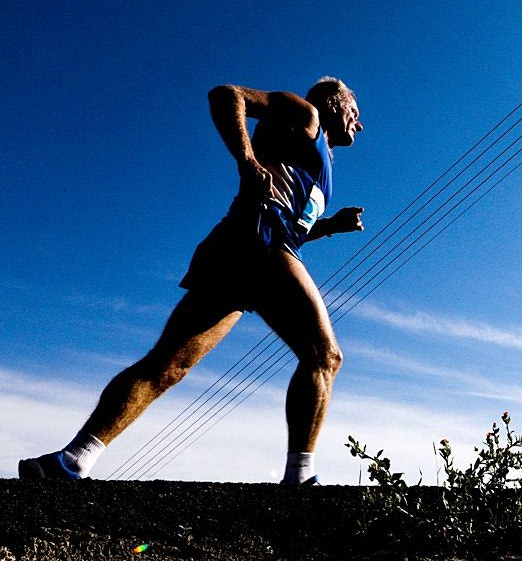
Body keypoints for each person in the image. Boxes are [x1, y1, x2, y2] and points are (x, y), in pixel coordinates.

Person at [18, 77, 366, 484]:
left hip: (239, 247)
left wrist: (330, 226)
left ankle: (71, 460)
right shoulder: (305, 114)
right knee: (325, 356)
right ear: (335, 103)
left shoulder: (317, 158)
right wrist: (246, 160)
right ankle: (300, 477)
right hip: (263, 245)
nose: (358, 125)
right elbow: (227, 95)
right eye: (355, 113)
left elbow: (294, 222)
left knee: (169, 365)